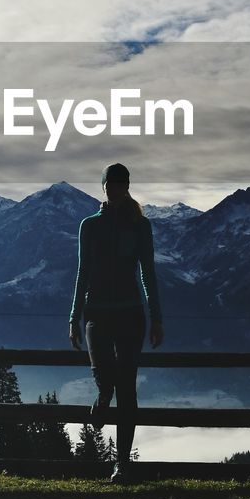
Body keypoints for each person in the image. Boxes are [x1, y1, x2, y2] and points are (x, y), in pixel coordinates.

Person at [68, 162, 164, 482]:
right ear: (104, 186)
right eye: (110, 183)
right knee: (103, 374)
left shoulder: (140, 226)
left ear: (127, 186)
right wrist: (74, 318)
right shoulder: (89, 226)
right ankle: (102, 395)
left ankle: (122, 463)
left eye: (120, 183)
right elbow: (82, 272)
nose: (115, 188)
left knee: (127, 388)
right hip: (96, 312)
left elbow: (147, 274)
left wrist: (156, 318)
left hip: (130, 313)